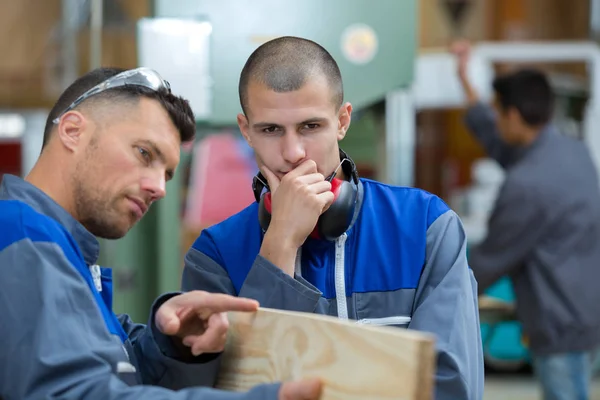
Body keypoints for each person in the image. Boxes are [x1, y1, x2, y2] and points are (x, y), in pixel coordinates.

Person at [181, 36, 484, 399]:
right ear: (246, 131)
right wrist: (279, 247)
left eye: (310, 127)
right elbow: (222, 389)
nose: (293, 153)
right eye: (270, 129)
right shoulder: (214, 255)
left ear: (342, 121)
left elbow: (451, 386)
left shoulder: (426, 227)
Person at [0, 67, 323, 400]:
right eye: (144, 153)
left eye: (166, 174)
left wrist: (171, 344)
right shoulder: (21, 238)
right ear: (72, 131)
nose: (158, 188)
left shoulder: (62, 254)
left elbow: (113, 375)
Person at [451, 40, 600, 400]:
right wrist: (465, 79)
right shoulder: (572, 150)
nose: (496, 118)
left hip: (558, 320)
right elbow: (498, 138)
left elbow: (489, 261)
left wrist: (436, 292)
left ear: (514, 115)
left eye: (499, 111)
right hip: (587, 309)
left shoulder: (527, 184)